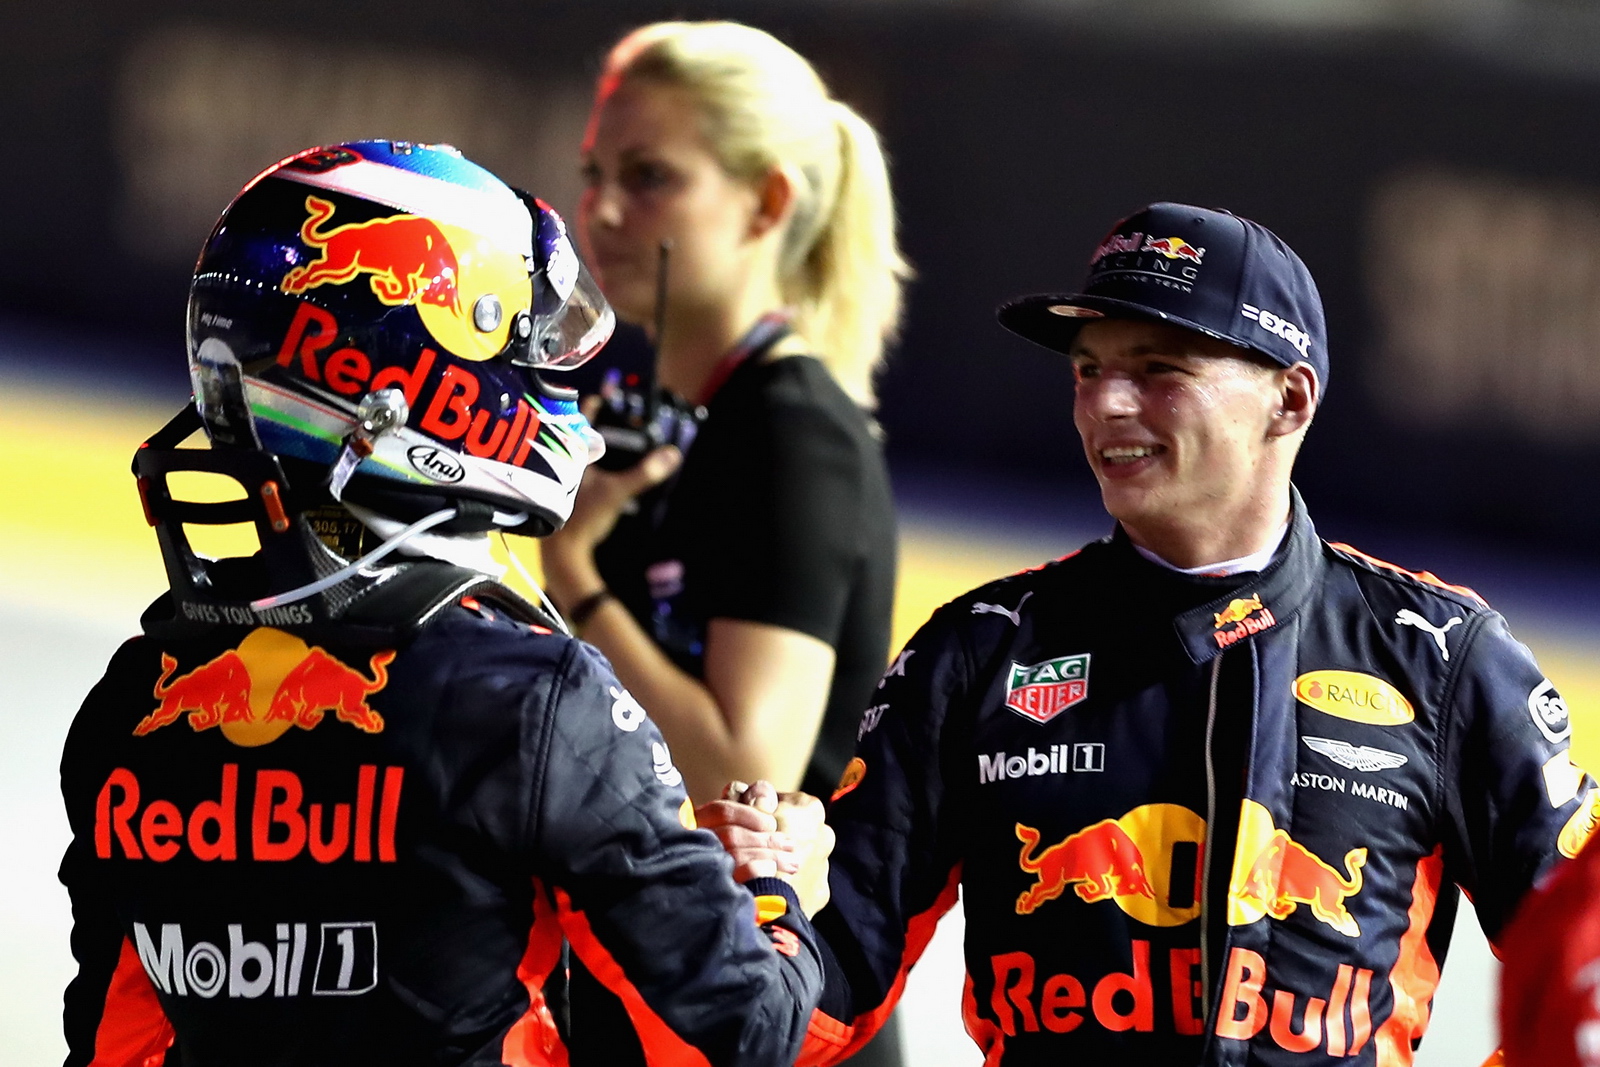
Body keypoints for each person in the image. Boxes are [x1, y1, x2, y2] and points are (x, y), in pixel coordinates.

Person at [707, 201, 1600, 1065]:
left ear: (1290, 400)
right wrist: (757, 900)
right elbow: (817, 1006)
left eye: (1159, 370)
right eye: (1087, 370)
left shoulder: (1438, 657)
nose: (1106, 404)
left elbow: (1585, 960)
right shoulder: (975, 653)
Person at [57, 141, 835, 1067]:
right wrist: (772, 886)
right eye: (532, 354)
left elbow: (110, 1050)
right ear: (407, 388)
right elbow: (744, 1030)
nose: (557, 389)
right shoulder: (536, 701)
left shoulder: (134, 701)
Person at [539, 20, 908, 809]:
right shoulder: (679, 416)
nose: (602, 211)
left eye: (649, 177)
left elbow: (745, 777)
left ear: (767, 203)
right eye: (594, 174)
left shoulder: (796, 434)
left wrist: (573, 575)